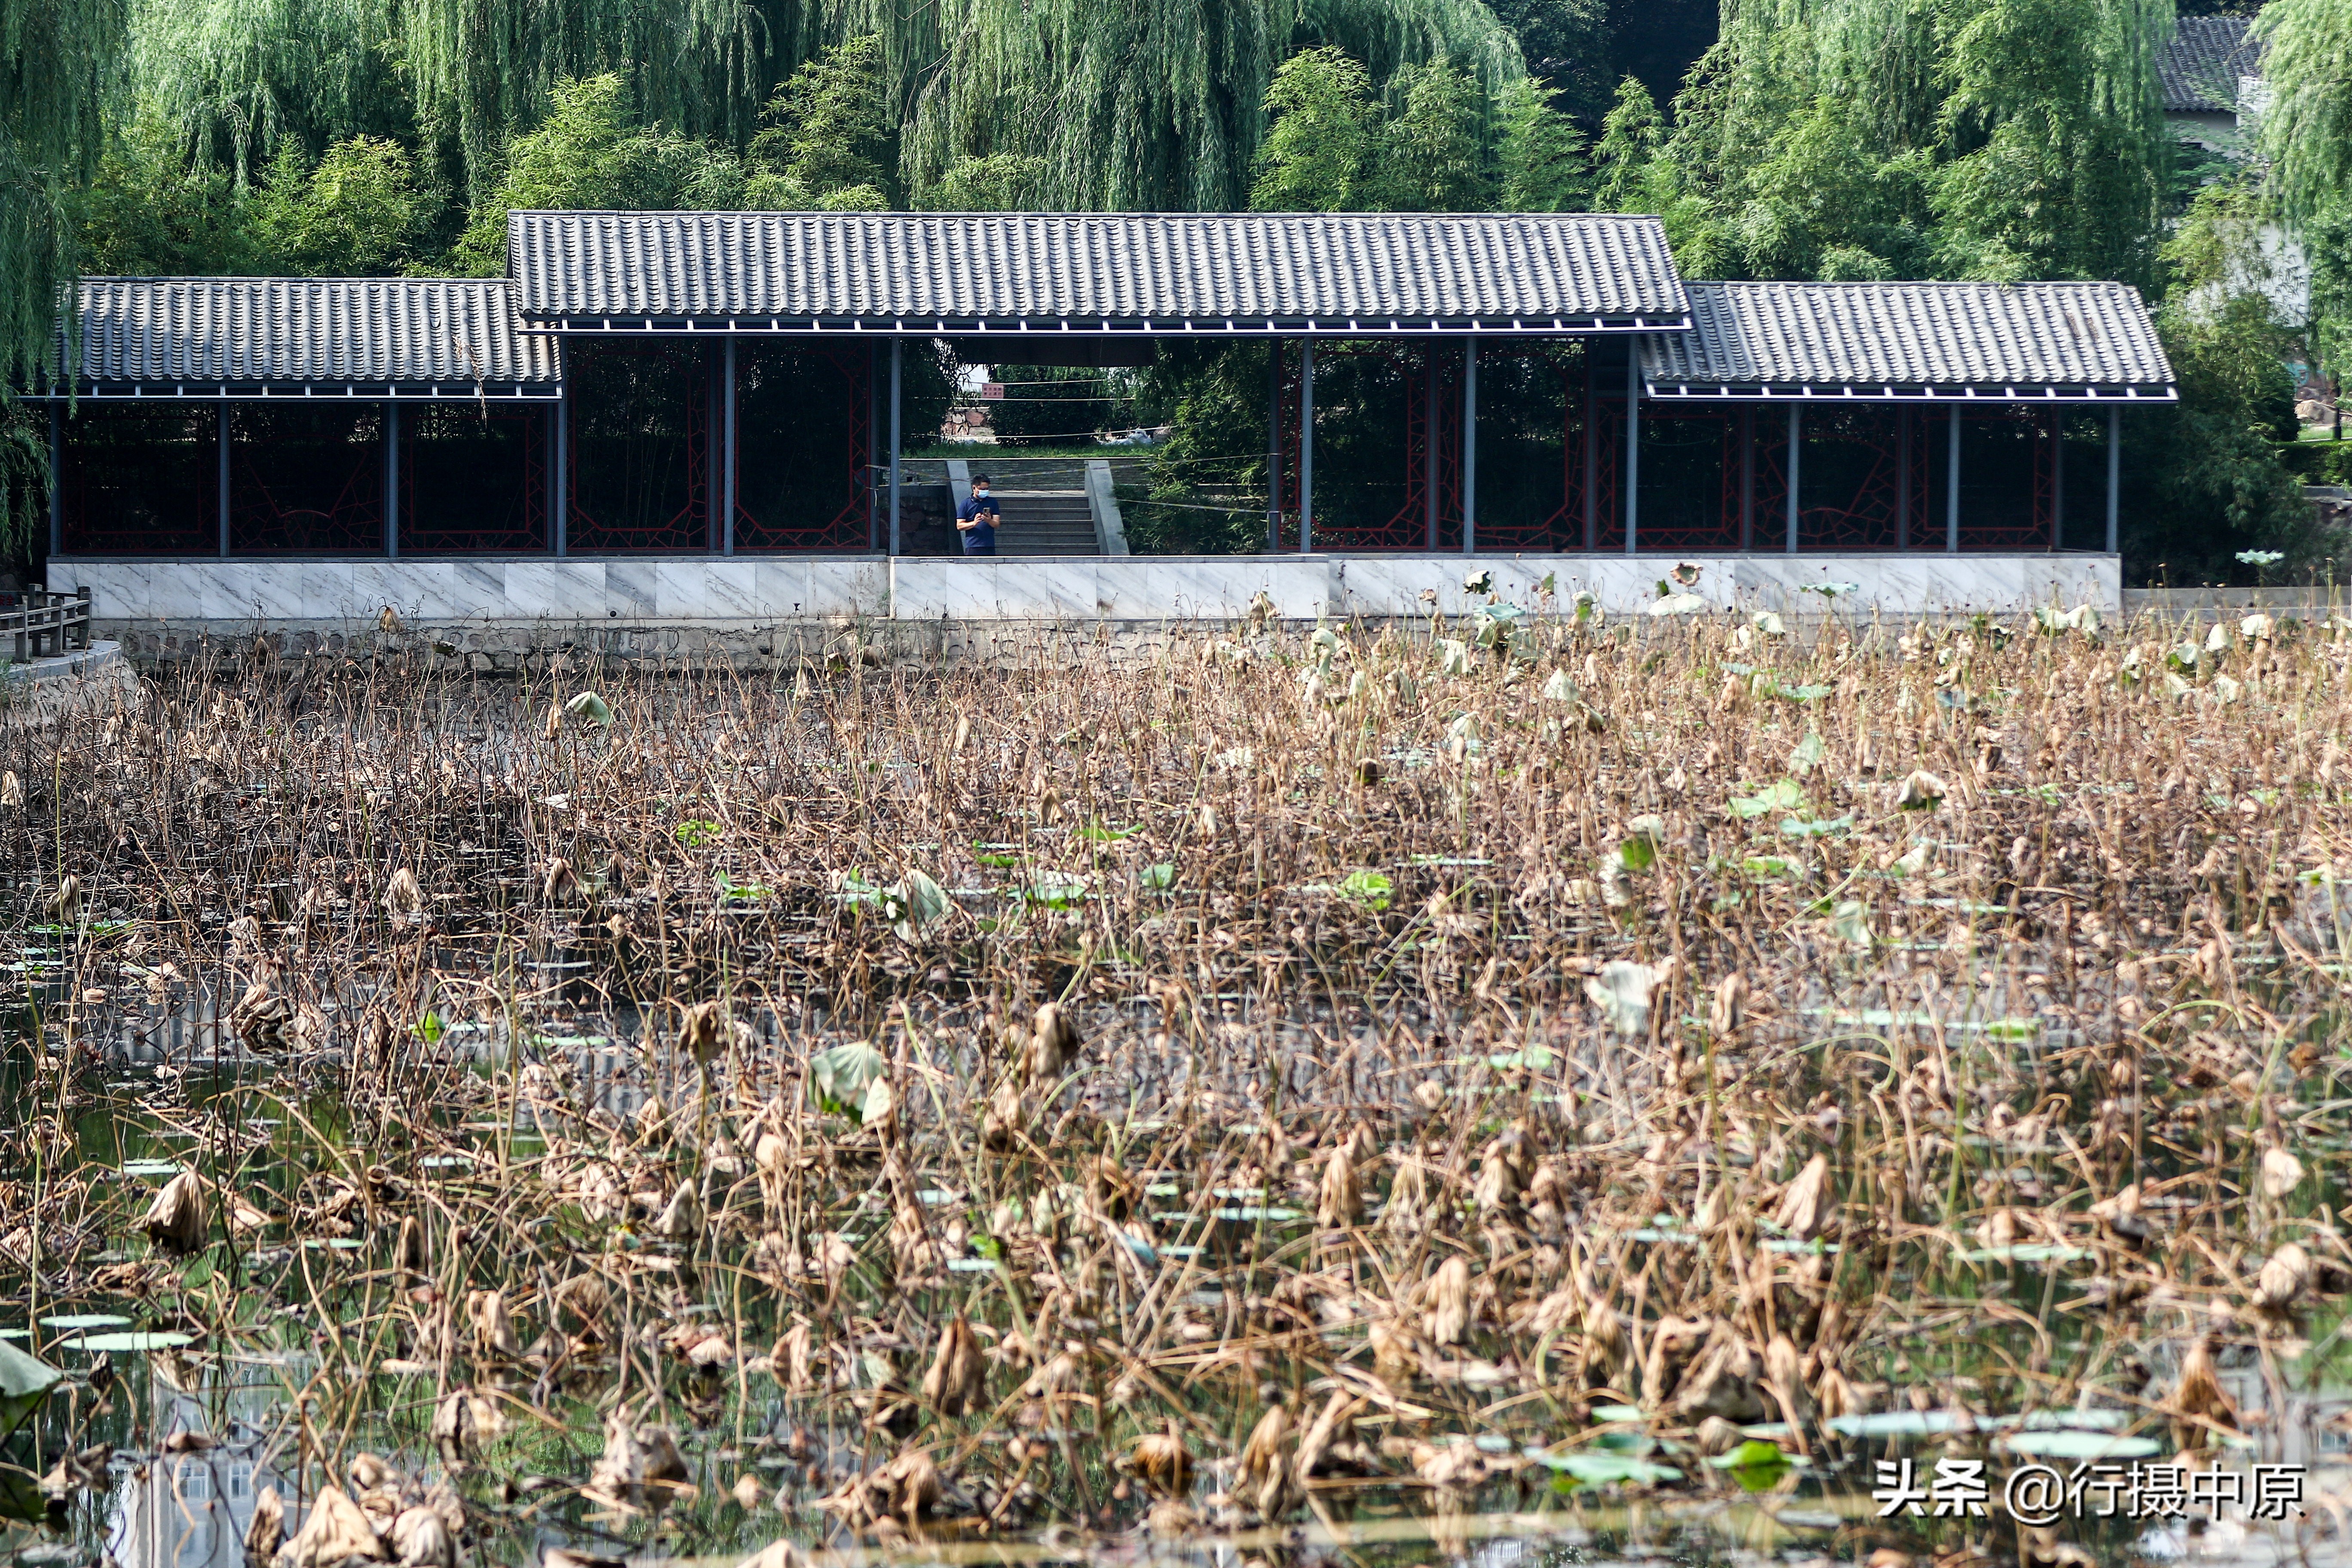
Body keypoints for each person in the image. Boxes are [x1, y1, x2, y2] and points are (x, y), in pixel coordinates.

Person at [956, 475, 1001, 555]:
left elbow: (997, 524)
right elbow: (959, 526)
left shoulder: (993, 502)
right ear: (974, 488)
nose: (985, 491)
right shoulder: (966, 504)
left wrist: (989, 521)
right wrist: (974, 523)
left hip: (989, 545)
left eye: (987, 489)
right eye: (982, 489)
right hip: (973, 545)